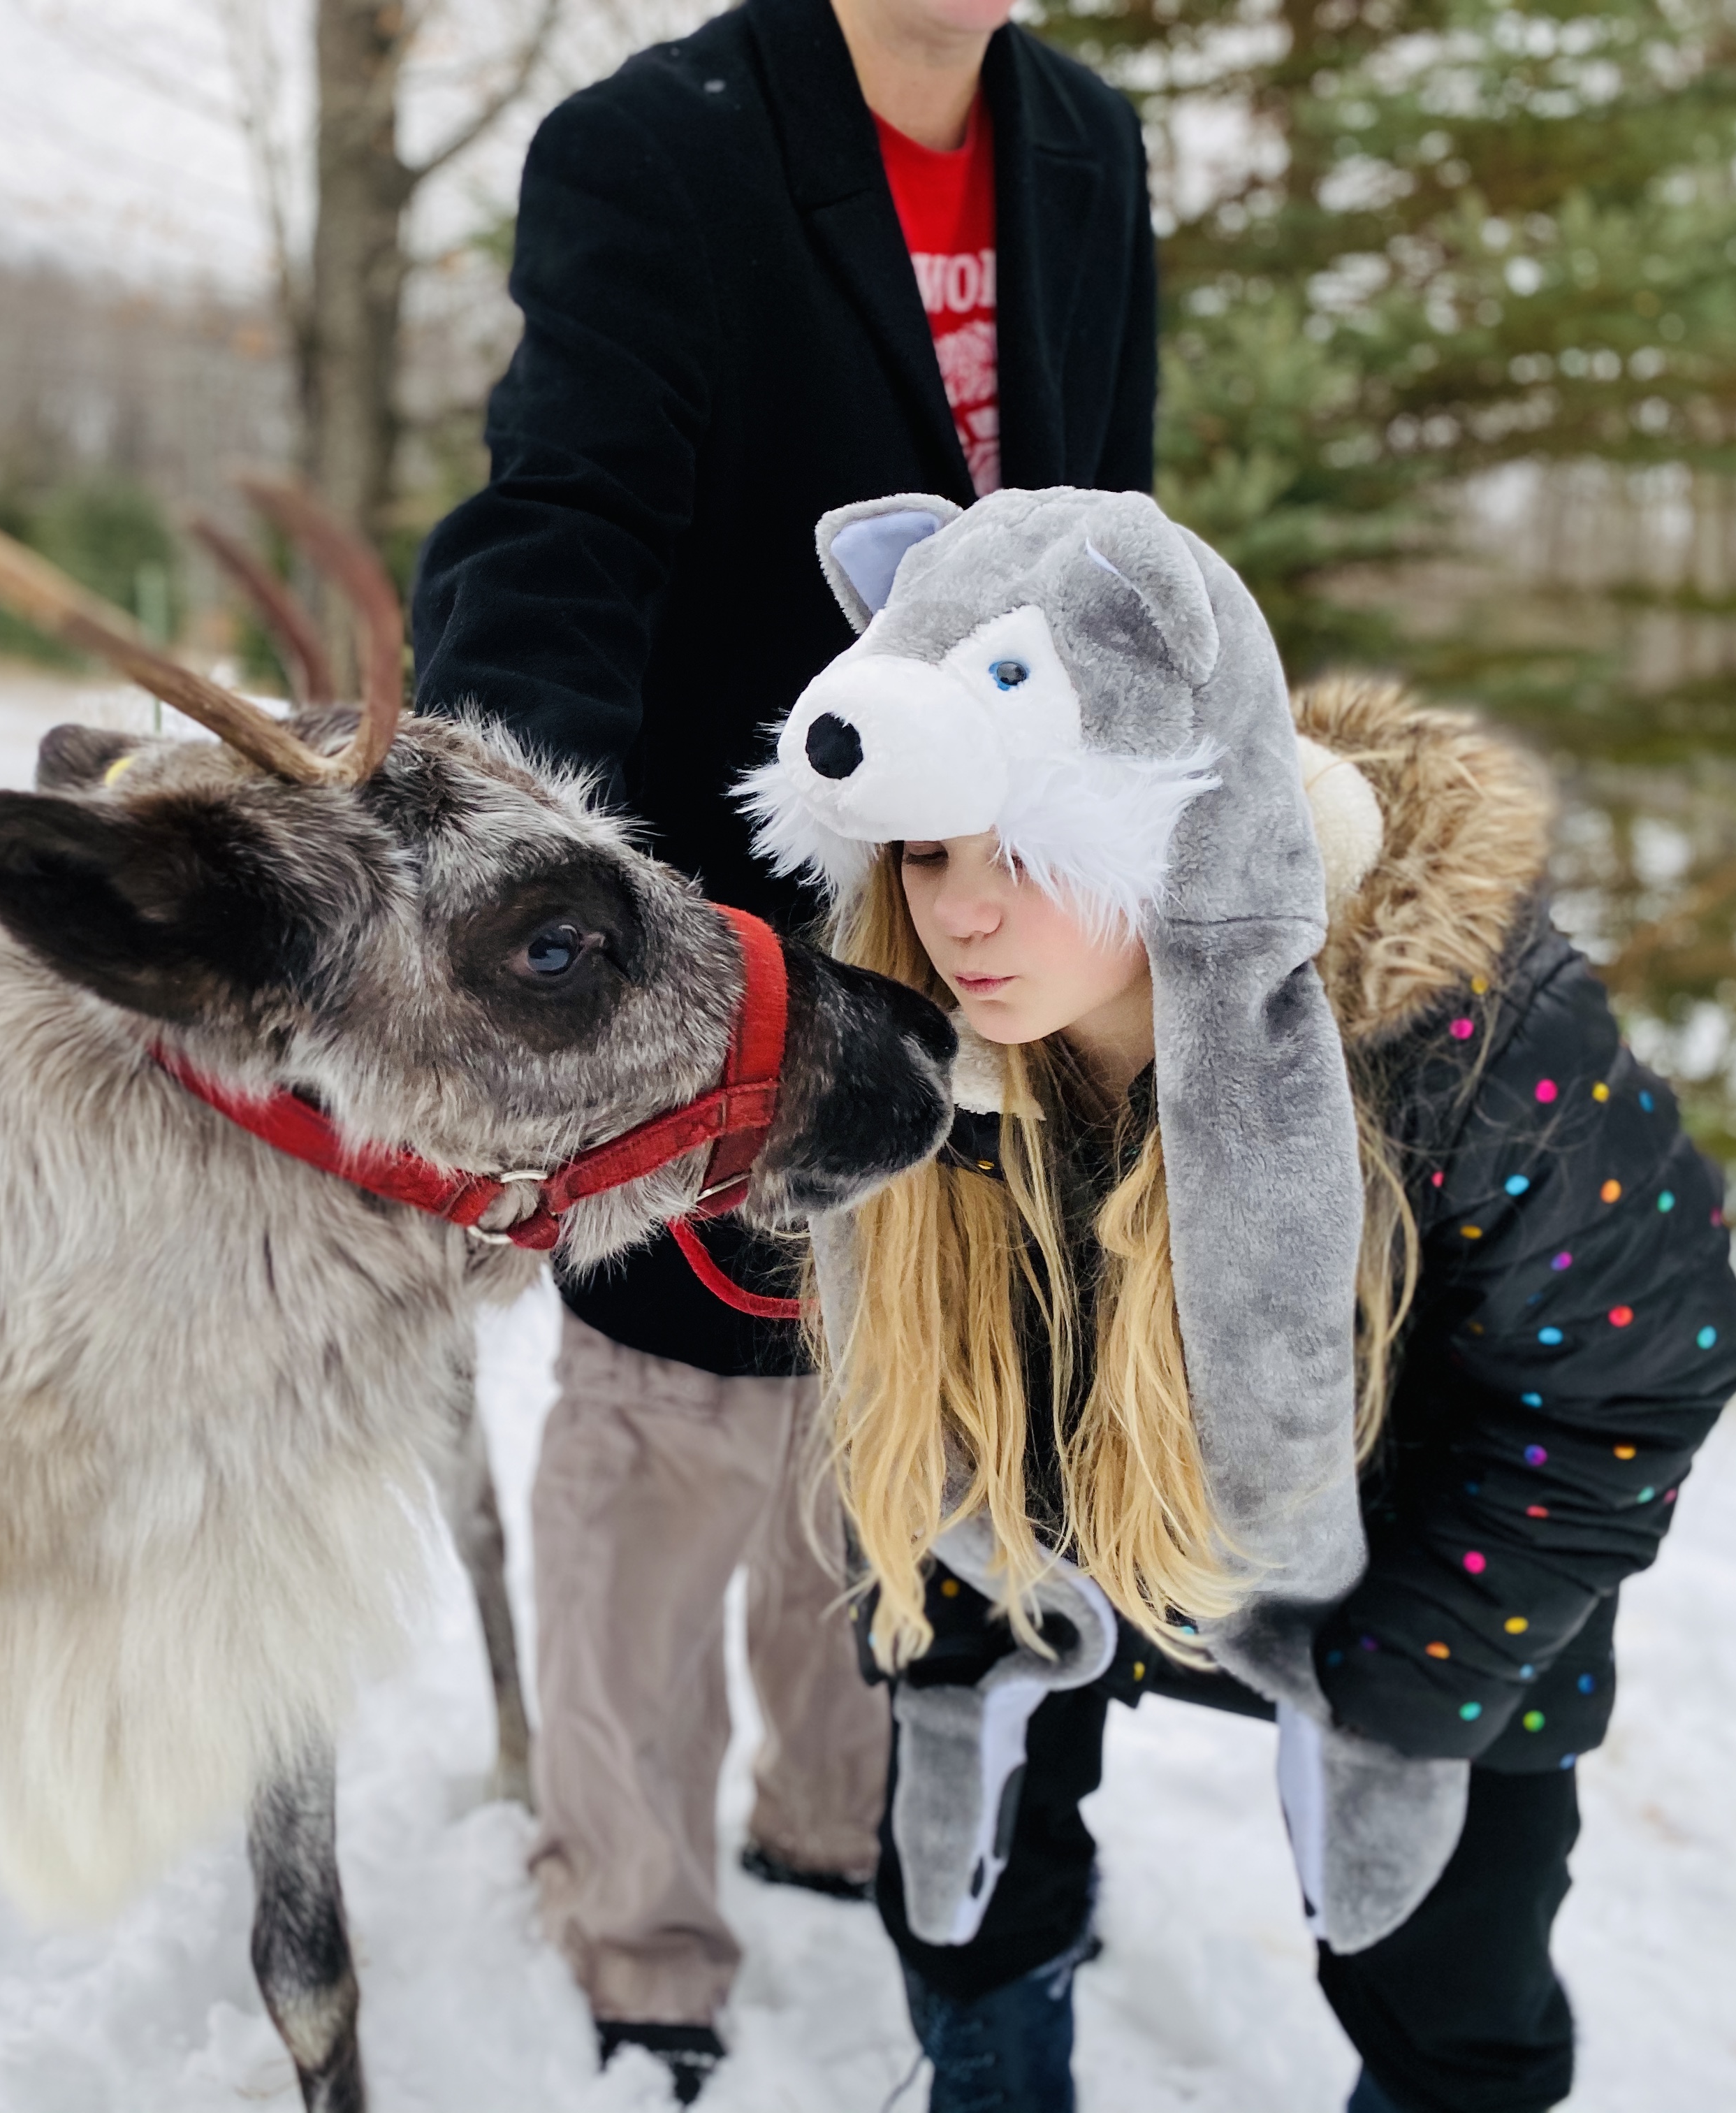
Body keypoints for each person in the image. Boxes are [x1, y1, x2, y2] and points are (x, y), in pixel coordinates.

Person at [750, 484, 1736, 2113]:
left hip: (1419, 1558)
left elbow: (1635, 1382)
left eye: (1024, 850)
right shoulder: (925, 1039)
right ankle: (993, 2069)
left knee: (1449, 1973)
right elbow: (897, 1374)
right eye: (928, 853)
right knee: (957, 1890)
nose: (962, 912)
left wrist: (1415, 1676)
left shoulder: (1472, 1043)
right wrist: (932, 1580)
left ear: (1171, 824)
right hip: (1051, 1520)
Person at [407, 1, 1155, 2096]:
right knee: (671, 1432)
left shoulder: (1083, 143)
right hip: (716, 918)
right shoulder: (658, 146)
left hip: (987, 913)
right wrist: (503, 836)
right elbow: (563, 516)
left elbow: (1123, 543)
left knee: (898, 1394)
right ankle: (637, 1923)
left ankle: (840, 1820)